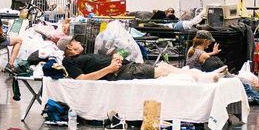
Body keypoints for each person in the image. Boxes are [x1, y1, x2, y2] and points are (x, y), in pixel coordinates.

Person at [59, 38, 219, 82]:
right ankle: (203, 78)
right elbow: (82, 79)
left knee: (163, 65)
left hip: (125, 65)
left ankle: (198, 75)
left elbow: (110, 55)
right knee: (162, 71)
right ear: (70, 48)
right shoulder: (69, 62)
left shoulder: (83, 55)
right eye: (75, 42)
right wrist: (110, 69)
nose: (79, 43)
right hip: (122, 72)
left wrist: (117, 54)